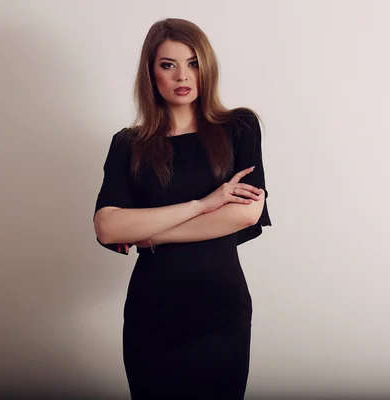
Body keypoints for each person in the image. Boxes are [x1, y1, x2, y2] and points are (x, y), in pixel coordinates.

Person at [93, 18, 271, 399]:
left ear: (207, 67)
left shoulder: (239, 127)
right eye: (167, 64)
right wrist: (202, 205)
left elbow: (243, 213)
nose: (182, 75)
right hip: (153, 310)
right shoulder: (128, 145)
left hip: (220, 308)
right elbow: (107, 226)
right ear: (150, 73)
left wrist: (148, 233)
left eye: (192, 62)